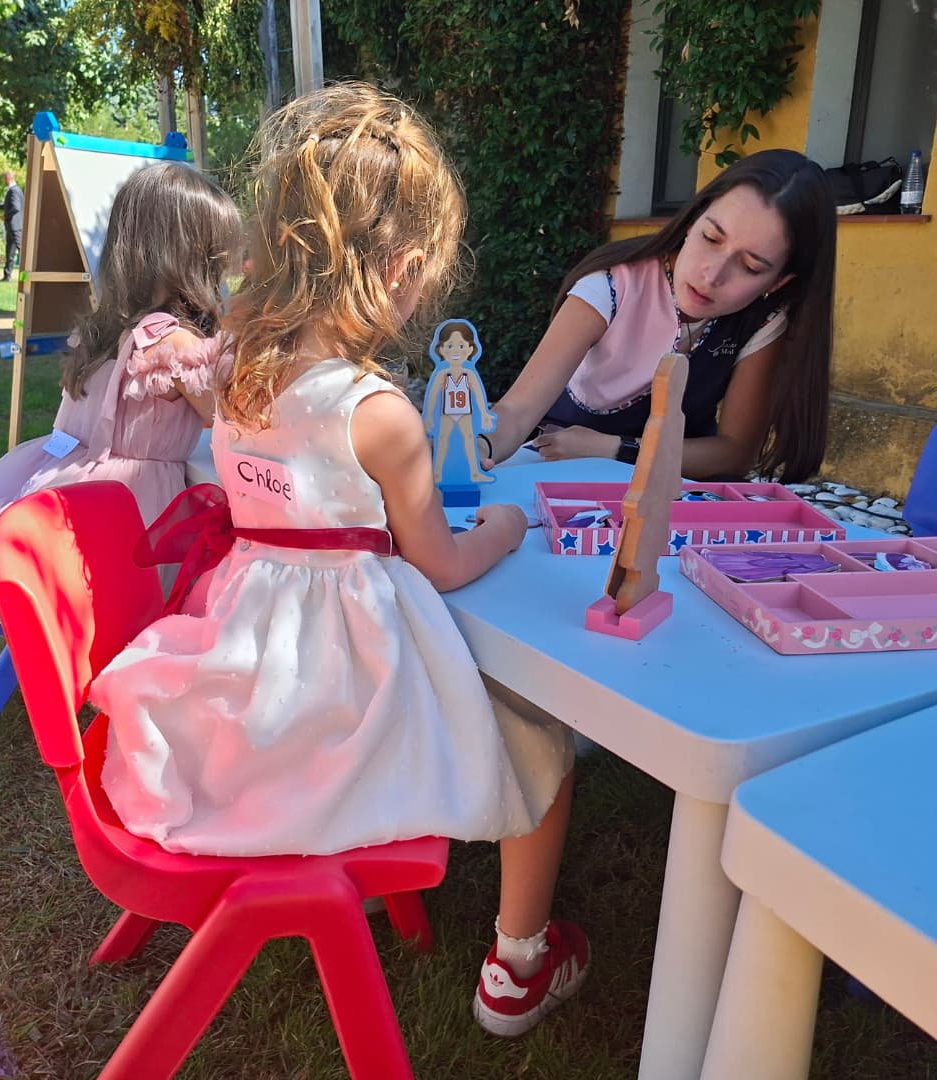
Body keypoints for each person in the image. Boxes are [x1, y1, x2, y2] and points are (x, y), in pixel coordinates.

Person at [88, 81, 589, 1040]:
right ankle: (519, 961)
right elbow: (439, 562)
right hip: (338, 683)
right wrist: (511, 529)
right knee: (540, 740)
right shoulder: (380, 412)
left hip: (250, 652)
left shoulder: (235, 371)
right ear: (400, 268)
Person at [0, 162, 242, 619]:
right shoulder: (174, 344)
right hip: (123, 516)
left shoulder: (108, 328)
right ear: (194, 258)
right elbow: (233, 421)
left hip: (62, 491)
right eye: (219, 256)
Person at [481, 149, 836, 484]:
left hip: (678, 490)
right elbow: (517, 410)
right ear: (691, 221)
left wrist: (615, 449)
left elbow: (734, 452)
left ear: (779, 282)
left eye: (749, 266)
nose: (711, 275)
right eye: (711, 238)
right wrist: (474, 448)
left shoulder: (763, 319)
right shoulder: (612, 286)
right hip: (561, 470)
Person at [422, 320, 495, 483]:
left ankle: (475, 472)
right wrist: (427, 417)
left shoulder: (469, 373)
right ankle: (437, 473)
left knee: (470, 439)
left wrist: (484, 414)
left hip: (465, 413)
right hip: (446, 413)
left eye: (461, 346)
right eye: (450, 346)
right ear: (441, 349)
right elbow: (433, 396)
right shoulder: (442, 374)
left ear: (469, 349)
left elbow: (477, 394)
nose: (455, 350)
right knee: (442, 439)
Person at [0, 169, 24, 281]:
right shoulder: (16, 190)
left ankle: (26, 274)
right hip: (13, 225)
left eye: (4, 178)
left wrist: (6, 216)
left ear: (8, 178)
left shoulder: (13, 191)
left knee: (20, 249)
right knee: (10, 252)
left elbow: (16, 208)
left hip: (14, 225)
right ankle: (7, 276)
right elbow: (10, 205)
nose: (3, 181)